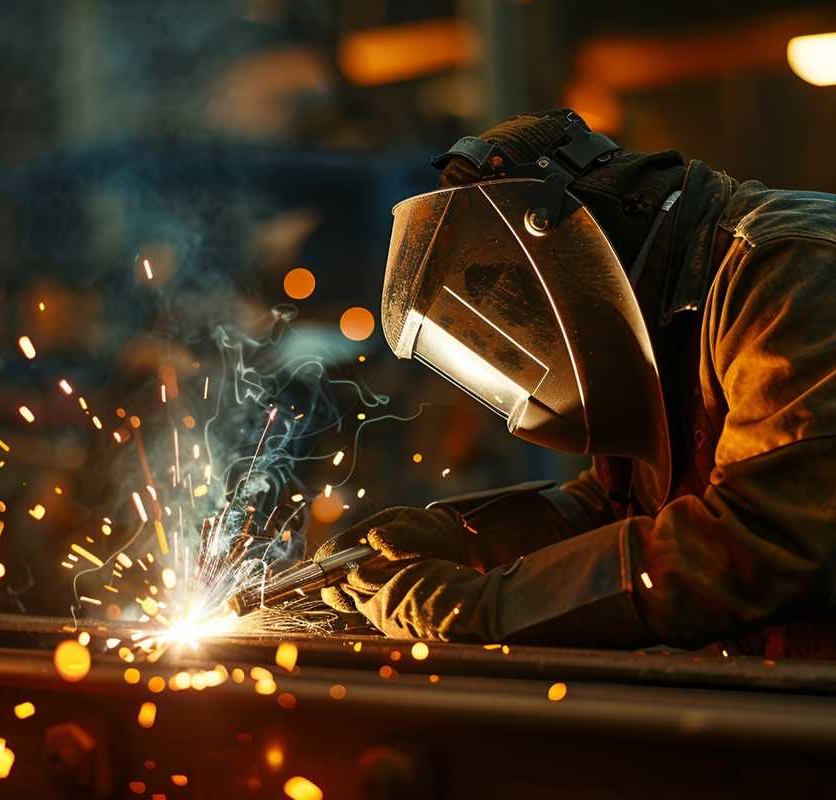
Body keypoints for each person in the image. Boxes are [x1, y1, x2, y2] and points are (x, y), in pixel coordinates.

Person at [316, 109, 836, 658]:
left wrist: (485, 607)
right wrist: (468, 538)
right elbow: (616, 510)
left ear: (568, 245)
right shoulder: (668, 308)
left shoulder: (790, 274)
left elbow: (767, 542)